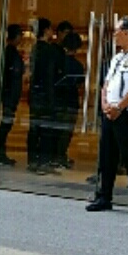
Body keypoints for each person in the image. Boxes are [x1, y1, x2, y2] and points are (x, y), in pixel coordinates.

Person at [85, 17, 128, 217]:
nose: (113, 34)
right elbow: (107, 84)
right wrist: (105, 104)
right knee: (107, 157)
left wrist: (120, 107)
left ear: (127, 32)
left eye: (116, 30)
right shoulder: (117, 58)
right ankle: (104, 197)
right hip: (110, 113)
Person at [26, 18, 59, 173]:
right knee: (46, 128)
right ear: (46, 30)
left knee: (34, 128)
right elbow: (51, 76)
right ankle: (43, 162)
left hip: (34, 93)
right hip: (46, 94)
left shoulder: (34, 49)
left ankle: (32, 160)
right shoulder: (50, 50)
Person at [52, 32, 85, 169]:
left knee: (55, 129)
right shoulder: (78, 66)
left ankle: (54, 156)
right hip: (71, 100)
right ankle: (60, 156)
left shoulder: (58, 61)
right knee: (66, 131)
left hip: (57, 99)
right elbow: (79, 83)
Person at [0, 25, 24, 166]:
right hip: (9, 94)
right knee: (6, 124)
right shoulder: (11, 53)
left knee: (6, 124)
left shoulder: (8, 53)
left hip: (8, 93)